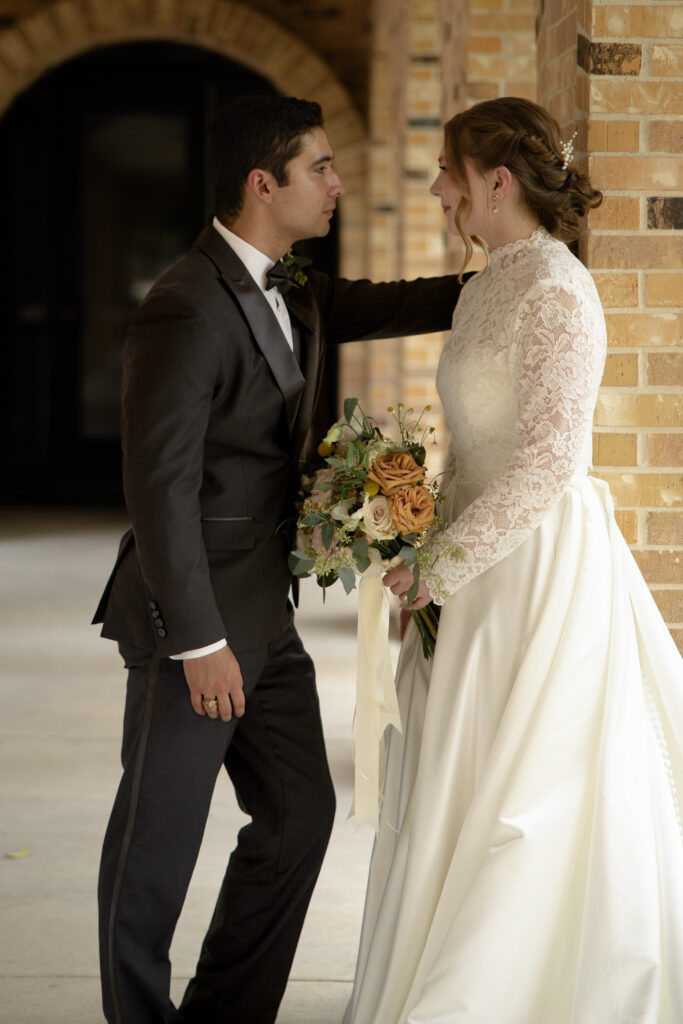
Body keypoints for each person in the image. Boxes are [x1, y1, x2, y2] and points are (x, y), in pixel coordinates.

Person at [92, 94, 465, 1024]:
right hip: (198, 626)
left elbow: (389, 305)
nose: (338, 185)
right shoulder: (183, 307)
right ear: (264, 184)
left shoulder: (288, 283)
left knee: (298, 815)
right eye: (321, 169)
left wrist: (517, 272)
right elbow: (160, 489)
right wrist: (197, 640)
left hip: (267, 612)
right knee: (156, 847)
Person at [344, 96, 683, 1024]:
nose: (436, 187)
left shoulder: (558, 291)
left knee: (524, 793)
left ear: (496, 182)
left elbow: (549, 460)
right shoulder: (485, 281)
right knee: (457, 777)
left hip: (535, 573)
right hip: (466, 556)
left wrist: (442, 563)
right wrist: (412, 523)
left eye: (449, 171)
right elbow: (472, 442)